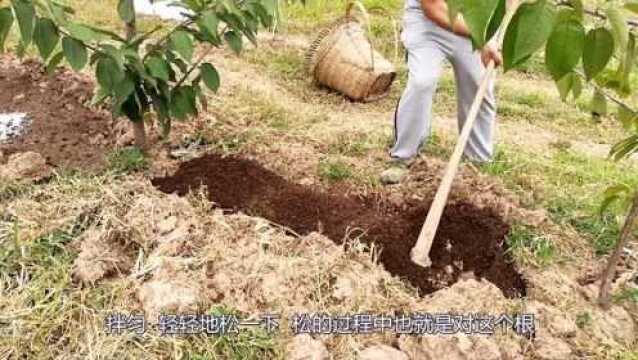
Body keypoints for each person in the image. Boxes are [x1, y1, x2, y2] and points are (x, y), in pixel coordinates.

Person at [380, 0, 503, 185]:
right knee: (422, 81)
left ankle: (477, 161)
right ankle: (403, 156)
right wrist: (483, 38)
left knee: (479, 84)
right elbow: (434, 9)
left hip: (473, 17)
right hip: (427, 22)